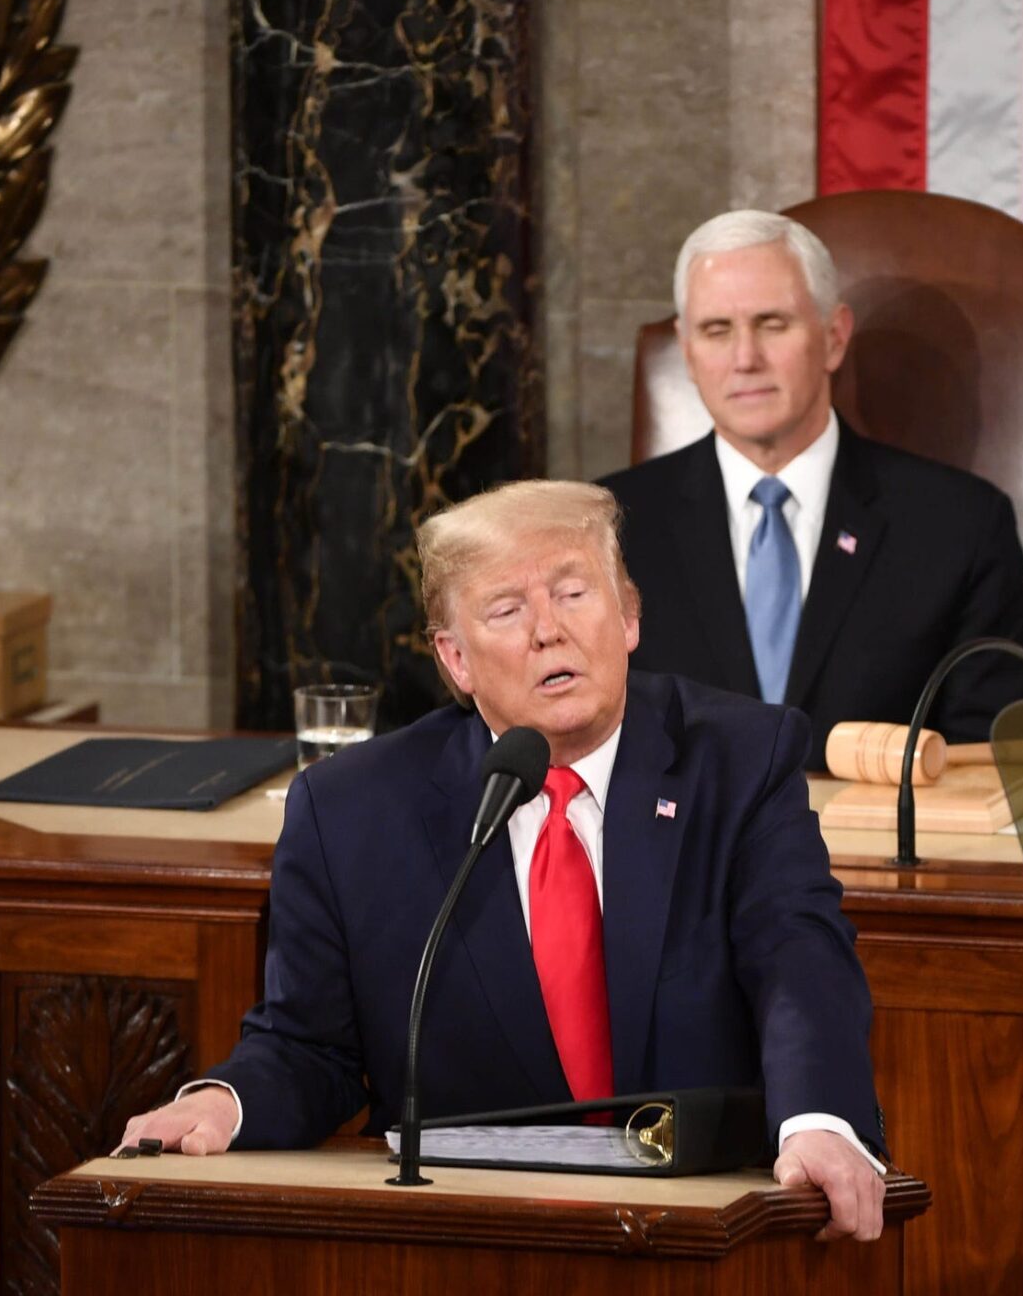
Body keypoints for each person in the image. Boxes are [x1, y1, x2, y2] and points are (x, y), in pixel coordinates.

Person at [121, 480, 889, 1240]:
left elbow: (799, 956)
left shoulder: (740, 759)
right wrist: (226, 1102)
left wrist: (820, 1120)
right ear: (455, 658)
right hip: (467, 1243)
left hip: (704, 1230)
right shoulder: (352, 812)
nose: (547, 631)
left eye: (573, 593)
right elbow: (309, 1046)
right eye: (507, 610)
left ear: (628, 615)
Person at [599, 209, 1023, 764]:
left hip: (882, 847)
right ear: (687, 353)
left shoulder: (960, 527)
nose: (745, 359)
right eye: (717, 331)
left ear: (834, 338)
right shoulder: (609, 530)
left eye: (772, 324)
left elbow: (992, 761)